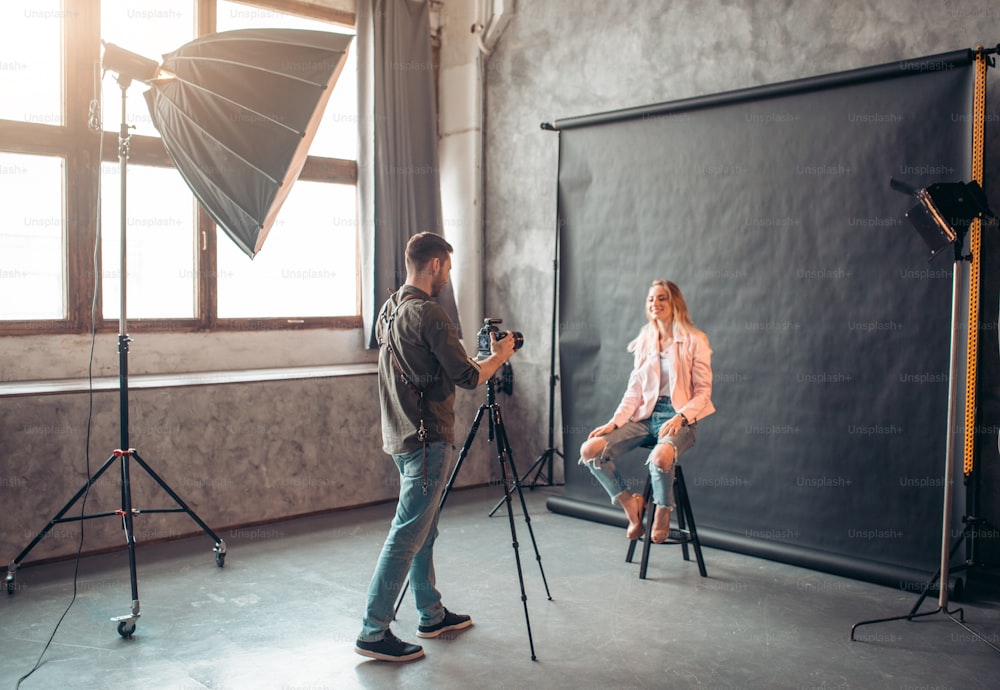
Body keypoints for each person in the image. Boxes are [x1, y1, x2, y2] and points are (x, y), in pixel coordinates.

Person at [355, 231, 517, 662]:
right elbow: (468, 377)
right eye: (447, 267)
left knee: (422, 526)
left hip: (401, 435)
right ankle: (373, 630)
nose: (448, 276)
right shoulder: (431, 315)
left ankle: (430, 612)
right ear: (434, 266)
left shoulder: (389, 310)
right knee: (407, 532)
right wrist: (500, 355)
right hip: (427, 439)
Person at [579, 280, 714, 543]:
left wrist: (681, 416)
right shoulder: (645, 340)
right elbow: (634, 391)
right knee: (589, 450)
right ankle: (631, 505)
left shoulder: (695, 340)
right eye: (651, 299)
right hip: (646, 417)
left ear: (674, 302)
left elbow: (703, 392)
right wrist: (614, 423)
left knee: (660, 457)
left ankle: (662, 510)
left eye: (662, 298)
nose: (655, 304)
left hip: (680, 418)